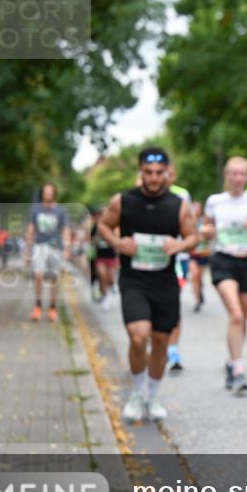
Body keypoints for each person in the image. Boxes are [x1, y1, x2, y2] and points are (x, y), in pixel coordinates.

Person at [97, 147, 197, 422]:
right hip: (134, 280)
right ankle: (138, 392)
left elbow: (193, 237)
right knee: (139, 336)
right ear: (140, 172)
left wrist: (180, 244)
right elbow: (104, 226)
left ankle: (152, 396)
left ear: (167, 173)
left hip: (164, 282)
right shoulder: (123, 201)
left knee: (161, 341)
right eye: (148, 173)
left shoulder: (178, 204)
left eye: (159, 173)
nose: (154, 178)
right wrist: (117, 242)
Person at [201, 156, 247, 395]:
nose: (238, 178)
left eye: (242, 174)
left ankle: (232, 361)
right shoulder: (215, 202)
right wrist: (206, 232)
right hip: (223, 260)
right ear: (226, 176)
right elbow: (207, 232)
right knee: (236, 315)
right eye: (233, 174)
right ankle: (239, 369)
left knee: (242, 320)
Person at [25, 183, 72, 322]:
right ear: (42, 193)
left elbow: (65, 229)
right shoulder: (35, 210)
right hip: (39, 246)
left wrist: (67, 248)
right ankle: (38, 305)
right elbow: (30, 229)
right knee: (38, 275)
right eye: (46, 191)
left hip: (56, 247)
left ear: (54, 193)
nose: (48, 194)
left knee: (54, 278)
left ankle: (53, 307)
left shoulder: (60, 210)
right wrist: (28, 251)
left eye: (51, 191)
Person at [165, 164, 193, 372]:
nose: (165, 177)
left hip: (178, 260)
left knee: (172, 301)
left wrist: (183, 246)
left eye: (169, 173)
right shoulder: (143, 194)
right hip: (152, 261)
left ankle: (173, 350)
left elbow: (190, 229)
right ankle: (158, 344)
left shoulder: (182, 195)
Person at [90, 207, 119, 308]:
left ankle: (110, 289)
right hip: (100, 256)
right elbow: (91, 241)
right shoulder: (96, 227)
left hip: (111, 256)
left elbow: (117, 240)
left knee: (109, 276)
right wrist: (97, 237)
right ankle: (106, 295)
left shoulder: (114, 227)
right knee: (102, 274)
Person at [187, 200, 211, 313]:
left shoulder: (204, 221)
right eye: (194, 207)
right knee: (194, 277)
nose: (196, 210)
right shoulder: (189, 221)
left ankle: (200, 292)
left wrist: (204, 235)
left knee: (200, 278)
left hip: (204, 253)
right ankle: (197, 301)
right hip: (193, 254)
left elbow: (210, 235)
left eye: (198, 207)